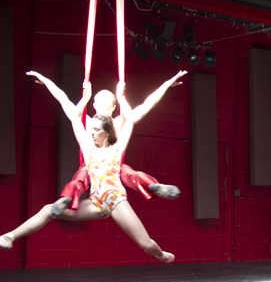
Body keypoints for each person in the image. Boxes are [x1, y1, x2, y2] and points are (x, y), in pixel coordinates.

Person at [0, 74, 174, 263]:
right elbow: (69, 108)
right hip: (96, 203)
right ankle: (9, 236)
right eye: (90, 130)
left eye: (96, 130)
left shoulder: (117, 149)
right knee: (48, 209)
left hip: (116, 200)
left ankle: (161, 254)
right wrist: (77, 94)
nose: (91, 133)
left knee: (147, 245)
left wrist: (127, 95)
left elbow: (133, 117)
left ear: (107, 133)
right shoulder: (88, 149)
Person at [49, 70, 187, 217]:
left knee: (79, 180)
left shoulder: (87, 122)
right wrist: (167, 84)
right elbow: (148, 104)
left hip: (95, 166)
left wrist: (46, 81)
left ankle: (66, 197)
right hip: (113, 167)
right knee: (132, 175)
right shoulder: (120, 122)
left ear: (94, 104)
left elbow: (63, 99)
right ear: (114, 107)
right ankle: (152, 185)